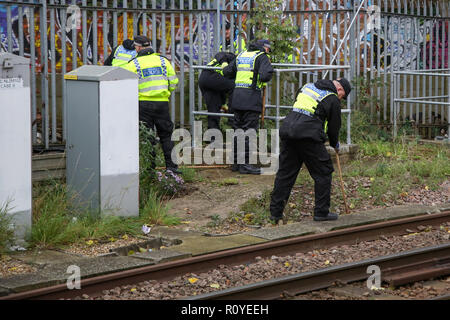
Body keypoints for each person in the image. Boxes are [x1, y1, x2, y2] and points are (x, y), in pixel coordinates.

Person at [268, 78, 352, 224]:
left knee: (286, 173)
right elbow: (334, 126)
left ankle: (275, 214)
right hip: (308, 135)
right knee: (324, 171)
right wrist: (334, 143)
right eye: (342, 97)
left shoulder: (307, 87)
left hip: (288, 131)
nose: (341, 99)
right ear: (340, 90)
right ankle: (321, 212)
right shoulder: (332, 98)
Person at [123, 35, 180, 174]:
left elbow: (128, 87)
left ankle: (149, 170)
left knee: (147, 138)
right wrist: (163, 92)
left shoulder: (133, 64)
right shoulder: (163, 61)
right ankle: (172, 168)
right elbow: (173, 83)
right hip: (162, 104)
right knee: (166, 136)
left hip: (143, 105)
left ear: (138, 47)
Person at [223, 39, 274, 175]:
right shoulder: (261, 57)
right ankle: (245, 165)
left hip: (237, 98)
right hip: (251, 99)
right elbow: (264, 76)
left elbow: (227, 72)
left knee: (237, 130)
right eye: (268, 49)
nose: (269, 51)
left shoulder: (241, 55)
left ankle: (236, 163)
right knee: (248, 132)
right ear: (264, 48)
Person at [198, 52, 236, 131]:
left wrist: (223, 104)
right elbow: (219, 54)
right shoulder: (235, 58)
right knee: (235, 85)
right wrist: (225, 63)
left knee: (213, 110)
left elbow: (223, 86)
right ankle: (232, 117)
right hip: (211, 76)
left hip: (205, 79)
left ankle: (213, 138)